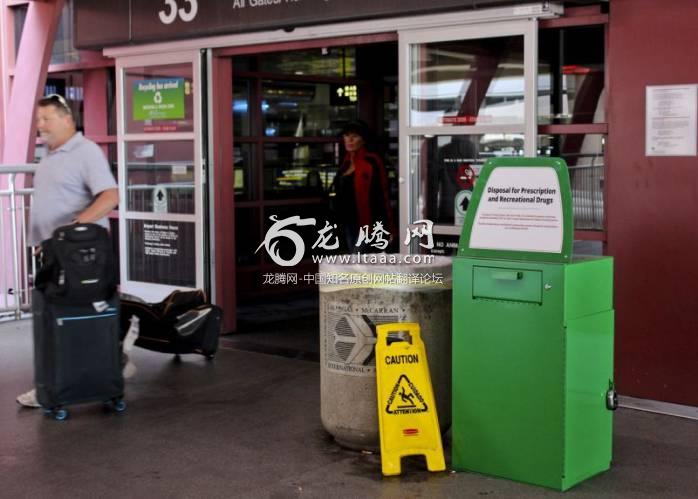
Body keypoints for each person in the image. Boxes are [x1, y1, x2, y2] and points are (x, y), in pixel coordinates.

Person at [16, 94, 119, 408]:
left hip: (75, 260)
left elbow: (110, 196)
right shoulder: (50, 155)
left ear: (66, 119)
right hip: (52, 254)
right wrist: (41, 244)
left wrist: (73, 228)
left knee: (71, 319)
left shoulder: (85, 152)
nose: (40, 126)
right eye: (38, 120)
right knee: (50, 320)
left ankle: (77, 382)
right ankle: (51, 385)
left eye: (46, 119)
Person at [330, 120, 395, 252]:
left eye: (355, 136)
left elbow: (382, 195)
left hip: (367, 224)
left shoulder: (372, 161)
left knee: (358, 262)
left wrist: (389, 227)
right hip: (347, 224)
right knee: (354, 263)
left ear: (363, 140)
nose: (350, 140)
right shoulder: (345, 163)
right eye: (346, 136)